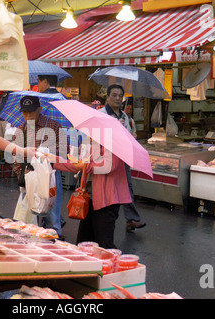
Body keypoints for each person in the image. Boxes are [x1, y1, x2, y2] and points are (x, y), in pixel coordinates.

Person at [53, 144, 132, 249]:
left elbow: (109, 166)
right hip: (89, 198)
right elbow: (78, 165)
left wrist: (85, 166)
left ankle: (113, 264)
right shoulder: (95, 145)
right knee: (84, 243)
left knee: (104, 244)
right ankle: (88, 264)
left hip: (106, 201)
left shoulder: (113, 144)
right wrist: (53, 160)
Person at [12, 95, 65, 236]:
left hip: (50, 175)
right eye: (25, 112)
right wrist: (20, 176)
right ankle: (32, 244)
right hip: (29, 175)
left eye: (31, 112)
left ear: (39, 110)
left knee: (52, 214)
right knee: (29, 214)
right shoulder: (20, 130)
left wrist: (47, 152)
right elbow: (16, 155)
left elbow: (64, 151)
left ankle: (55, 240)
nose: (28, 115)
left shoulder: (53, 126)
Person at [99, 84, 146, 232]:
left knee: (127, 187)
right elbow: (96, 137)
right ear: (107, 97)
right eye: (114, 95)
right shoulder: (101, 114)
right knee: (105, 189)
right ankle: (102, 219)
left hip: (122, 158)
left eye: (120, 96)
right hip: (105, 159)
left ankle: (131, 219)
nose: (118, 98)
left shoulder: (125, 116)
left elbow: (129, 135)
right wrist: (114, 129)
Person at [36, 74, 67, 232]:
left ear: (45, 82)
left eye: (39, 82)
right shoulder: (64, 100)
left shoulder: (43, 100)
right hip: (53, 161)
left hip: (47, 161)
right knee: (53, 197)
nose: (38, 85)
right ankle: (54, 226)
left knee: (44, 198)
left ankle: (53, 230)